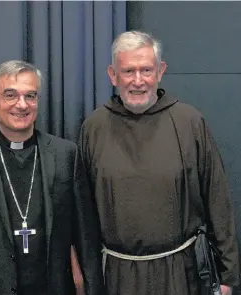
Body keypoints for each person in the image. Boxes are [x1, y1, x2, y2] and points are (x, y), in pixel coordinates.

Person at [78, 30, 240, 295]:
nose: (138, 81)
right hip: (117, 277)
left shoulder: (189, 123)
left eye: (146, 70)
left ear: (160, 71)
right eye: (128, 71)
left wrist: (227, 274)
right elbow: (82, 213)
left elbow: (217, 199)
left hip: (180, 274)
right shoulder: (94, 128)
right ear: (112, 75)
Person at [0, 60, 104, 295]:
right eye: (10, 95)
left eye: (30, 96)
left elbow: (86, 237)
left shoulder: (65, 155)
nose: (22, 105)